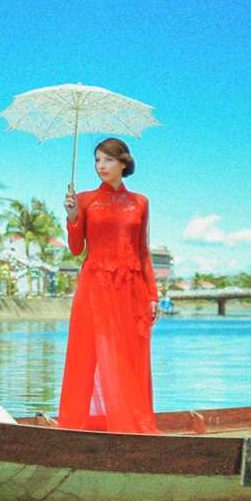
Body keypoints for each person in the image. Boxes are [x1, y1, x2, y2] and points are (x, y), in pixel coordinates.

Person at [56, 137, 159, 434]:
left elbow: (143, 251)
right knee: (88, 352)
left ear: (123, 163)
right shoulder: (85, 199)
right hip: (95, 286)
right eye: (97, 160)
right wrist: (72, 216)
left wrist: (153, 294)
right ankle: (74, 425)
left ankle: (132, 422)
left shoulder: (140, 202)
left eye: (108, 160)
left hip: (131, 288)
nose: (101, 166)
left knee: (129, 354)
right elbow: (76, 249)